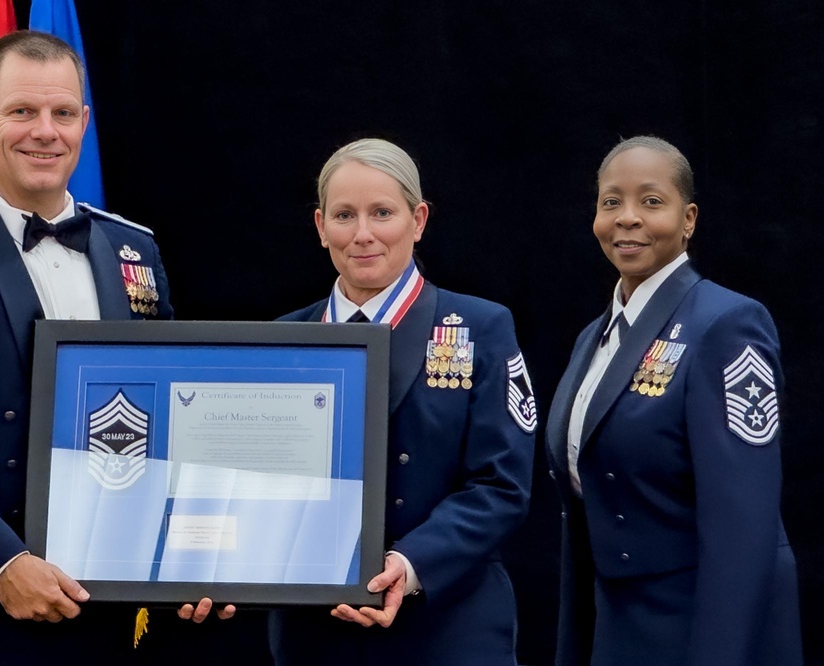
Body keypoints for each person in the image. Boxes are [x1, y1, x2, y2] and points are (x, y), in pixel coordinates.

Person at [0, 30, 227, 666]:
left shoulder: (131, 249)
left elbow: (172, 418)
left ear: (84, 122)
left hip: (103, 608)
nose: (45, 131)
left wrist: (188, 555)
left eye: (63, 113)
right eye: (22, 112)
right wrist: (0, 563)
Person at [268, 138, 536, 665]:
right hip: (313, 634)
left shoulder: (482, 328)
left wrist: (409, 564)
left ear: (418, 219)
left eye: (382, 213)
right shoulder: (284, 338)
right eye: (345, 215)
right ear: (321, 227)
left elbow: (502, 486)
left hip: (448, 624)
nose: (363, 234)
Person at [544, 135, 802, 665]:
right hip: (617, 622)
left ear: (688, 219)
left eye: (651, 201)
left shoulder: (726, 325)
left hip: (700, 627)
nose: (627, 218)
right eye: (611, 201)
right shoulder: (593, 337)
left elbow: (743, 528)